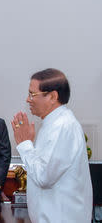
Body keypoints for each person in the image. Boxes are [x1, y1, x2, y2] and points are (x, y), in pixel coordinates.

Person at [11, 68, 92, 222]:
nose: (28, 100)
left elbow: (44, 177)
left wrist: (25, 144)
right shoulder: (52, 123)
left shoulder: (62, 126)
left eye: (32, 94)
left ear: (53, 96)